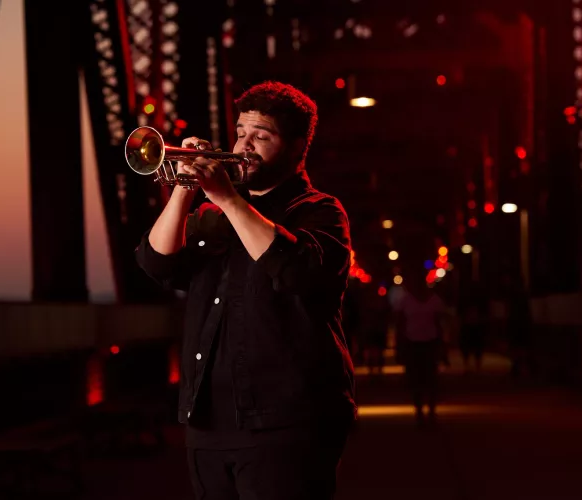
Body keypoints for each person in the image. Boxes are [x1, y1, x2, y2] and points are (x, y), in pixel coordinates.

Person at [135, 81, 355, 500]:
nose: (244, 144)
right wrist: (185, 188)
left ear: (295, 147)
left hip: (288, 422)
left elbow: (295, 272)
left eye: (262, 135)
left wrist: (229, 199)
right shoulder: (210, 213)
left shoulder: (319, 211)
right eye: (240, 131)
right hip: (208, 423)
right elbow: (155, 262)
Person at [393, 271, 447, 426]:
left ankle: (430, 410)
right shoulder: (405, 301)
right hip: (412, 342)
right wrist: (399, 344)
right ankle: (419, 411)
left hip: (430, 342)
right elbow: (400, 323)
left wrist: (441, 344)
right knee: (415, 378)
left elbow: (439, 323)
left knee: (431, 378)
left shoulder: (434, 300)